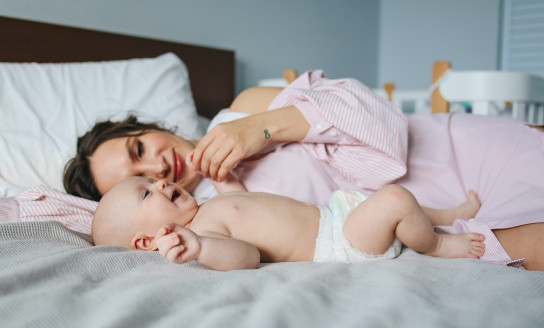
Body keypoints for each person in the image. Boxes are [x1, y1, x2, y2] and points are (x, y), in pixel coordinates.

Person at [64, 70, 544, 270]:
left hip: (441, 154)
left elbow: (378, 120)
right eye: (136, 183)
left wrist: (263, 129)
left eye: (139, 148)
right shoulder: (209, 218)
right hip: (406, 221)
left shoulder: (242, 110)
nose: (157, 167)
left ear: (151, 127)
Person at [92, 176, 485, 271]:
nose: (159, 182)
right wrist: (198, 247)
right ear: (145, 243)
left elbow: (243, 200)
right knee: (395, 199)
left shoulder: (211, 204)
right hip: (339, 243)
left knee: (380, 196)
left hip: (335, 214)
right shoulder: (203, 233)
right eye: (146, 193)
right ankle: (436, 244)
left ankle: (448, 216)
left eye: (150, 180)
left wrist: (225, 175)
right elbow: (246, 256)